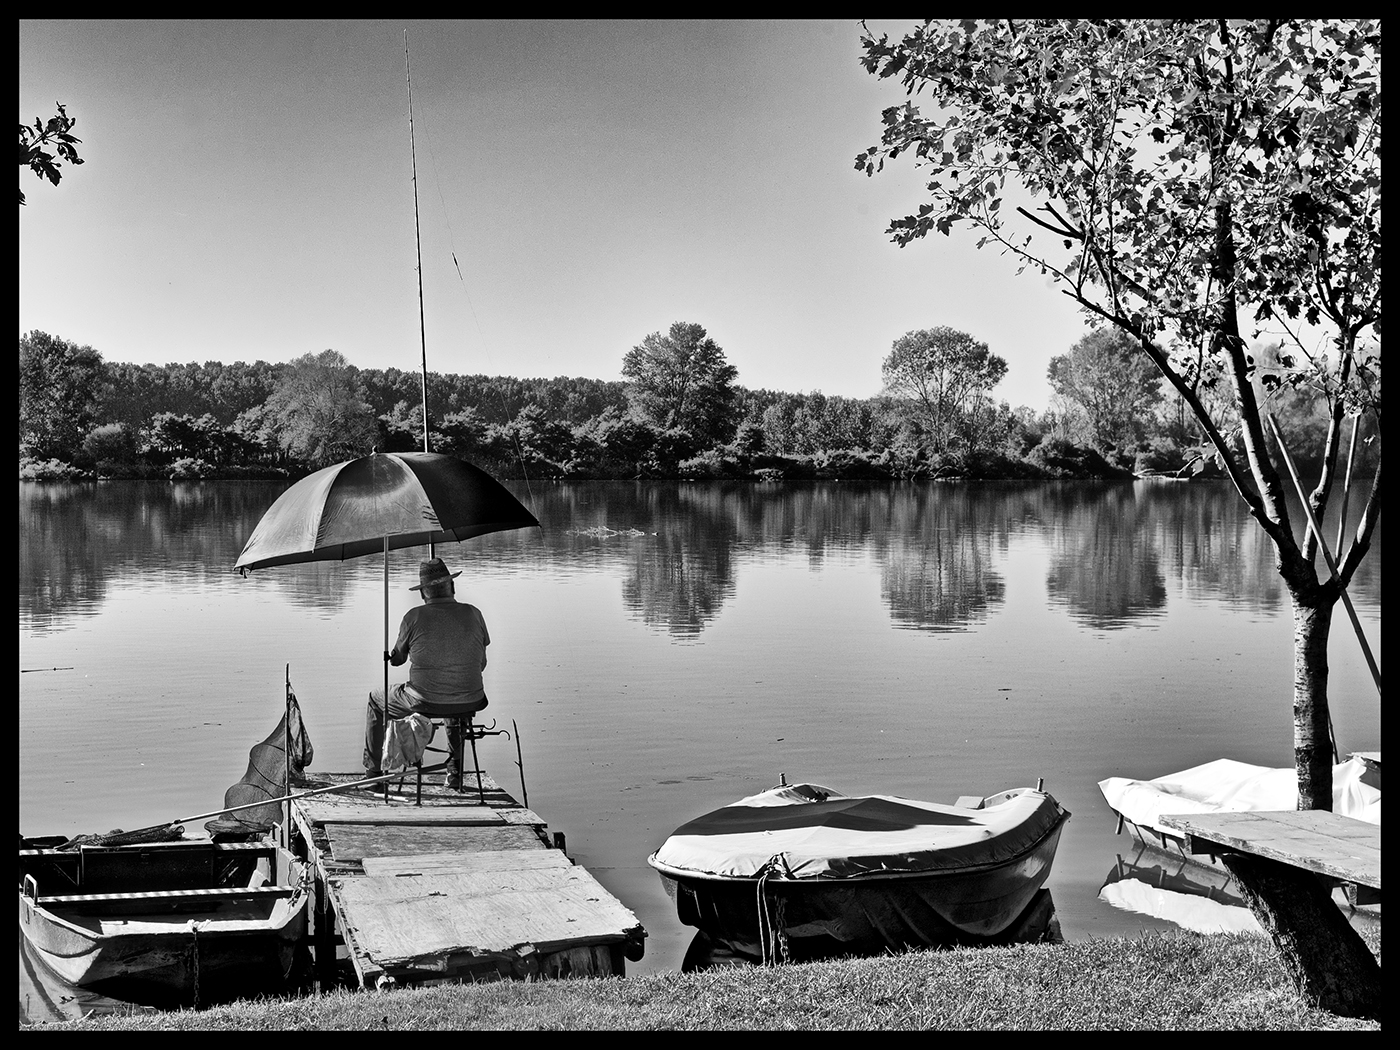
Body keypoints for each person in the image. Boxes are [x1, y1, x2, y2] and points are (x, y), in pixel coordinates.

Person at [364, 557, 489, 783]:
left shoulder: (413, 617)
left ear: (423, 594)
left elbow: (397, 661)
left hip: (423, 700)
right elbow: (482, 663)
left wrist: (394, 655)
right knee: (454, 708)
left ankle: (373, 774)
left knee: (375, 699)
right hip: (472, 698)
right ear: (452, 587)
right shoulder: (474, 613)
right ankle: (455, 775)